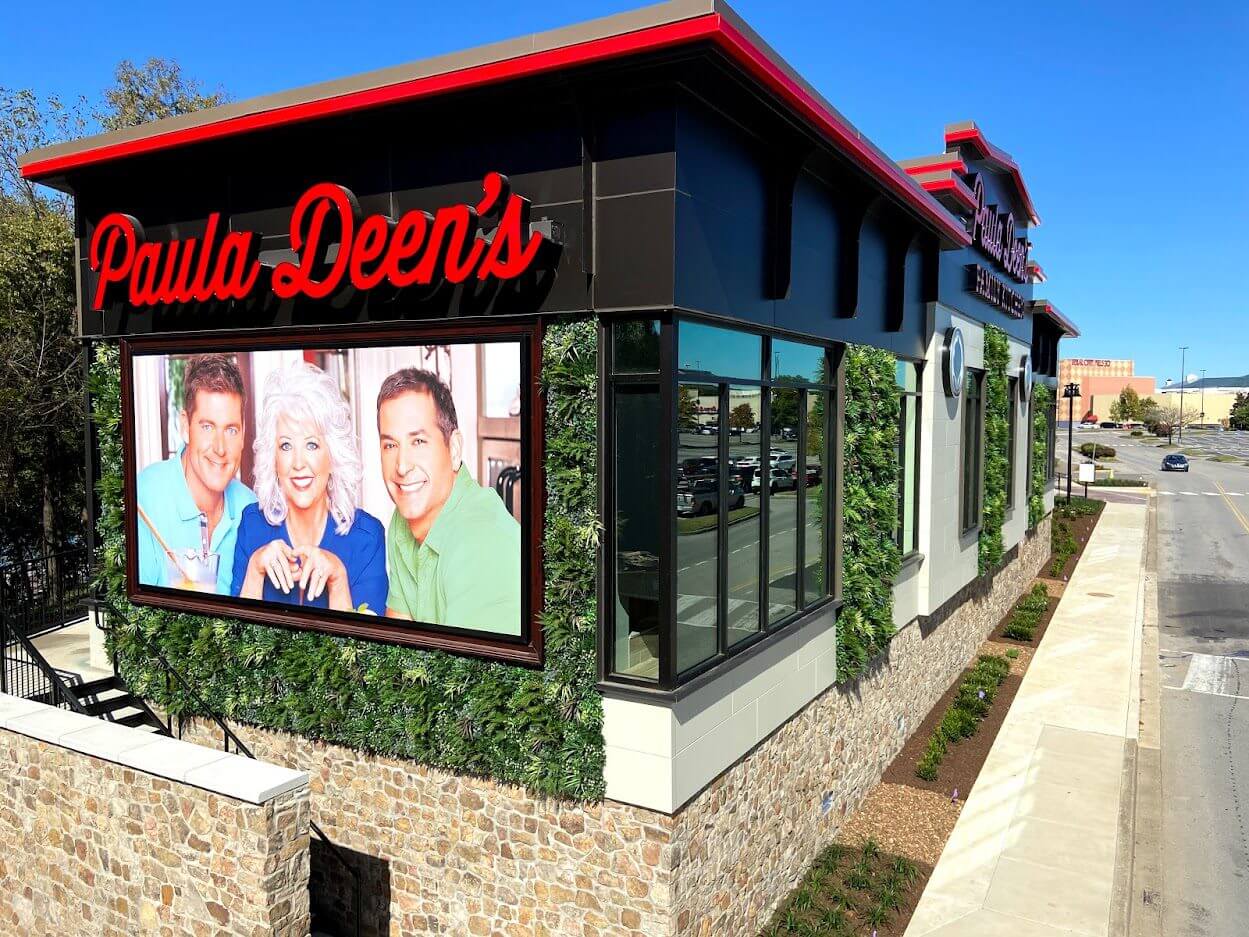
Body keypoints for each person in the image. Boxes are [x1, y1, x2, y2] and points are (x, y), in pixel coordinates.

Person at [232, 363, 387, 614]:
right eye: (285, 446)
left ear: (333, 454)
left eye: (312, 445)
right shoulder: (252, 526)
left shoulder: (367, 538)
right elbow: (233, 646)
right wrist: (255, 570)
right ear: (273, 458)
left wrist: (338, 580)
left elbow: (364, 653)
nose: (298, 463)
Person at [377, 368, 521, 633]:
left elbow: (469, 673)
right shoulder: (403, 519)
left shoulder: (482, 543)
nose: (402, 466)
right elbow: (397, 644)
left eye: (418, 441)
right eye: (390, 445)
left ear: (454, 449)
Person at [136, 354, 257, 594]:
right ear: (185, 427)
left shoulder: (251, 508)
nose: (220, 448)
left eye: (231, 429)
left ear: (243, 433)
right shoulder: (144, 495)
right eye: (207, 427)